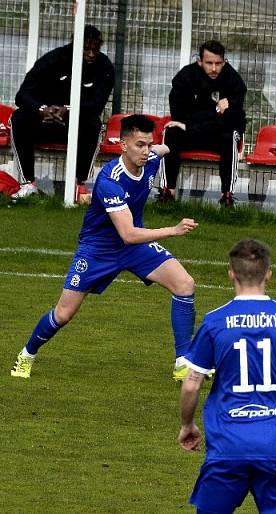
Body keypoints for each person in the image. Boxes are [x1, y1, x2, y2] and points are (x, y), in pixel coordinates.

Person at [10, 115, 198, 381]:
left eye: (148, 144)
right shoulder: (111, 180)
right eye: (139, 145)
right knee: (63, 314)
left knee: (185, 284)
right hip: (98, 250)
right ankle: (27, 354)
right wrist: (173, 230)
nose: (145, 151)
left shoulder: (151, 160)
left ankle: (183, 362)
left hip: (134, 248)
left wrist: (169, 142)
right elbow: (128, 233)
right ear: (123, 145)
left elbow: (162, 150)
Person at [178, 239, 276, 513]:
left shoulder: (215, 321)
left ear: (231, 274)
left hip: (226, 446)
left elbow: (191, 384)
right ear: (269, 274)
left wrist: (187, 425)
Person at [10, 25, 114, 201]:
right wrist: (43, 109)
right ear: (74, 45)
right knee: (18, 118)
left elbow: (97, 105)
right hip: (44, 121)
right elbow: (22, 95)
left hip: (75, 127)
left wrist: (69, 110)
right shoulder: (53, 59)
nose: (90, 54)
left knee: (94, 124)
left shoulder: (104, 67)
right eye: (86, 49)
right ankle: (28, 183)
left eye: (95, 49)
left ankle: (79, 184)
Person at [161, 40, 247, 207]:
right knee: (170, 132)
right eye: (209, 63)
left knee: (230, 135)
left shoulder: (234, 81)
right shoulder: (185, 77)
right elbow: (179, 115)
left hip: (218, 135)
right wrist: (215, 111)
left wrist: (195, 120)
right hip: (191, 133)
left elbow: (232, 120)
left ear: (225, 61)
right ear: (199, 61)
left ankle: (227, 195)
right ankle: (167, 191)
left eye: (218, 63)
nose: (214, 68)